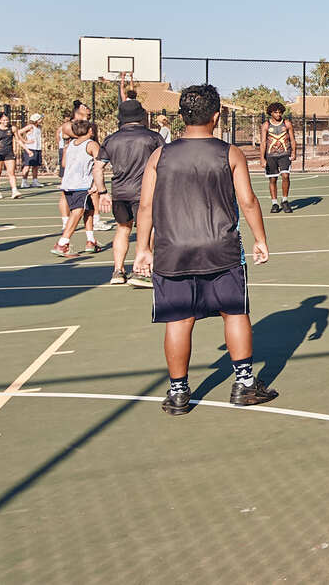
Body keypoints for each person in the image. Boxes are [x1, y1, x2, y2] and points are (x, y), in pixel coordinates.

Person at [132, 82, 275, 414]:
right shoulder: (229, 153)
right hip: (221, 248)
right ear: (217, 114)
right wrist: (260, 239)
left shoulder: (161, 155)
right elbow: (248, 201)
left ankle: (179, 392)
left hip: (173, 250)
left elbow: (145, 206)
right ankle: (244, 385)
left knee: (179, 321)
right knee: (235, 312)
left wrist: (142, 248)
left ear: (182, 116)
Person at [100, 97, 163, 286]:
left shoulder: (110, 139)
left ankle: (118, 271)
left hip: (119, 192)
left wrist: (103, 191)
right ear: (142, 115)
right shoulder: (153, 137)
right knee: (148, 229)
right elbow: (165, 163)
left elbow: (97, 167)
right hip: (144, 193)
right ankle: (142, 270)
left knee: (122, 228)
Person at [54, 115, 103, 258]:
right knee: (77, 212)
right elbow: (99, 163)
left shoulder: (70, 144)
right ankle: (63, 243)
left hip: (68, 183)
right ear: (89, 130)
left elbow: (63, 164)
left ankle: (90, 241)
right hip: (81, 184)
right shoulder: (91, 144)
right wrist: (96, 184)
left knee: (89, 210)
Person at [258, 101, 296, 214]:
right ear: (271, 113)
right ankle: (274, 203)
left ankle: (284, 200)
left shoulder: (287, 123)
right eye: (276, 112)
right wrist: (262, 158)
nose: (278, 114)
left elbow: (292, 139)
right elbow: (263, 142)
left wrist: (294, 152)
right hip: (271, 156)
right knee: (273, 179)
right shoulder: (266, 125)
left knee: (285, 175)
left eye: (280, 112)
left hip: (284, 154)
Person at [18, 112, 45, 187]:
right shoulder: (30, 126)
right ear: (36, 120)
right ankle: (24, 181)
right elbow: (18, 132)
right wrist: (25, 141)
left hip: (37, 148)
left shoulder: (39, 127)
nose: (41, 120)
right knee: (27, 165)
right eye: (40, 119)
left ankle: (35, 181)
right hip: (30, 148)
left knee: (35, 166)